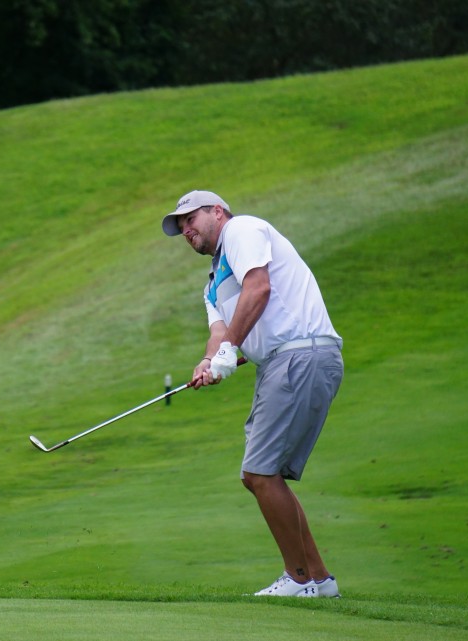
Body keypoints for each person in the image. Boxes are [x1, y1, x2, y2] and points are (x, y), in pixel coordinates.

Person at [161, 190, 344, 598]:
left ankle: (300, 580)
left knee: (260, 473)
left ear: (217, 211)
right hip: (279, 364)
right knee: (258, 475)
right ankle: (319, 579)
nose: (186, 229)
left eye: (191, 219)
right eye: (181, 226)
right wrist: (208, 361)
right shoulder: (213, 284)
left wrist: (228, 350)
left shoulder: (241, 230)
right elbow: (219, 333)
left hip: (299, 354)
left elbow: (258, 289)